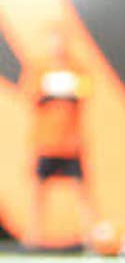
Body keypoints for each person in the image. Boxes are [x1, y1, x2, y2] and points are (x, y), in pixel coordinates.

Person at [22, 31, 92, 250]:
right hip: (46, 140)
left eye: (61, 41)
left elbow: (86, 90)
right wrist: (50, 89)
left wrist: (68, 88)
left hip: (71, 142)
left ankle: (91, 237)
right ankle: (32, 236)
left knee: (81, 190)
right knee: (38, 188)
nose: (57, 46)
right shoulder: (40, 68)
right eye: (53, 41)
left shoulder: (77, 68)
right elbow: (30, 92)